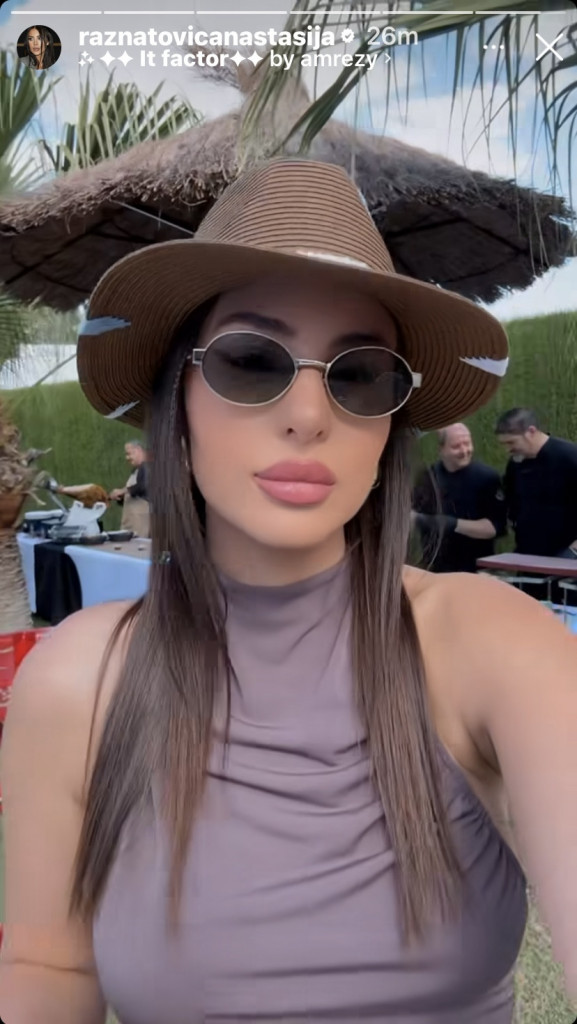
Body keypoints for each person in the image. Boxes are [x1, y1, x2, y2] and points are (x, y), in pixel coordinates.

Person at [1, 160, 576, 1024]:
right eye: (249, 361)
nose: (309, 414)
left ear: (389, 427)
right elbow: (47, 964)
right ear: (176, 402)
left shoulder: (486, 639)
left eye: (359, 374)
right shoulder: (81, 679)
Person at [412, 422, 506, 573]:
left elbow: (494, 528)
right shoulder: (428, 477)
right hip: (435, 568)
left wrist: (450, 524)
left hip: (476, 568)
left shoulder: (487, 478)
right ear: (441, 450)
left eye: (467, 444)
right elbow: (412, 514)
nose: (464, 451)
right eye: (456, 446)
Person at [496, 407, 577, 558]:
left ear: (531, 431)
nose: (508, 449)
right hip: (527, 552)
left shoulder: (570, 457)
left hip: (565, 555)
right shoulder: (516, 464)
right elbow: (512, 500)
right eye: (504, 444)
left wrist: (573, 551)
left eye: (511, 442)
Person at [109, 440, 150, 538]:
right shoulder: (136, 470)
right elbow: (134, 492)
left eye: (129, 454)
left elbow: (143, 486)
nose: (127, 458)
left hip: (140, 521)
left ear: (138, 450)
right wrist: (121, 496)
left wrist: (122, 491)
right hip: (131, 520)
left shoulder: (148, 466)